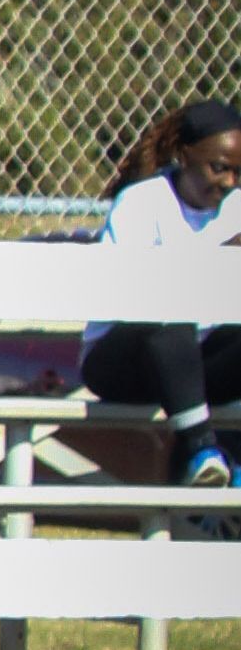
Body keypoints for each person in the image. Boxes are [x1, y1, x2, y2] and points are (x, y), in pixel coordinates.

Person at [81, 96, 241, 489]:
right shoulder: (142, 203)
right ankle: (200, 449)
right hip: (124, 359)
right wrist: (220, 262)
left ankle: (224, 464)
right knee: (167, 323)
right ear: (184, 157)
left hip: (194, 366)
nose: (228, 183)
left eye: (238, 172)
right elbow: (128, 294)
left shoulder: (236, 208)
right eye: (218, 168)